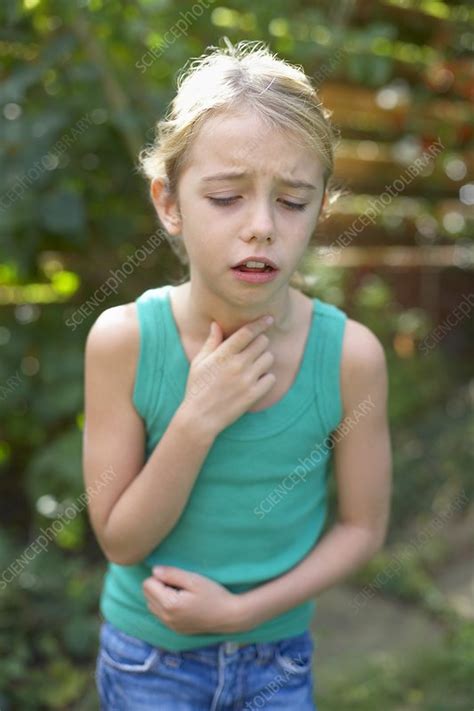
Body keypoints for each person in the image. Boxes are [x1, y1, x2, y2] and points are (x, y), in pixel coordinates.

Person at [83, 38, 392, 710]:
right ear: (169, 202)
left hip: (278, 660)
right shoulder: (125, 342)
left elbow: (362, 528)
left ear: (320, 207)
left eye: (292, 201)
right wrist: (197, 419)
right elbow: (119, 536)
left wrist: (242, 612)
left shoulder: (350, 358)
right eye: (226, 197)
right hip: (149, 663)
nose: (261, 227)